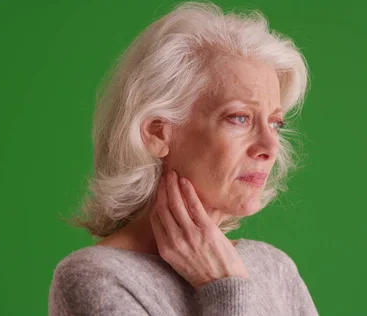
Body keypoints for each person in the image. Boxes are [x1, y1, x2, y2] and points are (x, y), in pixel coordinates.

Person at [48, 1, 317, 315]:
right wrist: (225, 288)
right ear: (158, 132)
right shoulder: (97, 276)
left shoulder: (274, 268)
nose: (269, 146)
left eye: (275, 123)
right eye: (239, 118)